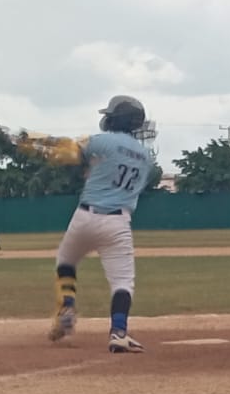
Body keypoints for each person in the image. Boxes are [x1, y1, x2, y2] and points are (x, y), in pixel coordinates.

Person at [48, 95, 157, 352]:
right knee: (122, 282)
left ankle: (67, 305)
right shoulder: (146, 158)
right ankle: (118, 332)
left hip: (84, 216)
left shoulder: (102, 141)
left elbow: (68, 151)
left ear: (115, 119)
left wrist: (29, 141)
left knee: (66, 262)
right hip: (117, 223)